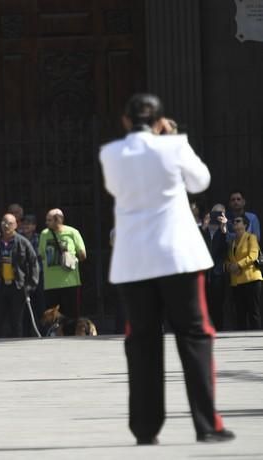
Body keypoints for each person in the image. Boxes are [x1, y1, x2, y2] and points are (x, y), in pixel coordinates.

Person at [100, 93, 234, 444]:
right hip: (178, 257)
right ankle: (207, 425)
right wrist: (171, 140)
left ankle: (145, 429)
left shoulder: (111, 153)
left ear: (126, 121)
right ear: (161, 121)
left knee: (142, 341)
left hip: (134, 262)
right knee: (195, 337)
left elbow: (116, 187)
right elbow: (200, 182)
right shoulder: (173, 146)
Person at [0, 213, 39, 338]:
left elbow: (33, 263)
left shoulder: (23, 242)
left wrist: (31, 284)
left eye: (10, 223)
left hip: (17, 286)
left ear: (16, 225)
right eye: (4, 222)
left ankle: (17, 344)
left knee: (17, 320)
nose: (6, 226)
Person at [38, 208, 86, 318]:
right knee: (52, 317)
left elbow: (83, 254)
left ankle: (71, 335)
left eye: (49, 220)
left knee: (71, 315)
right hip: (51, 284)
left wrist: (69, 257)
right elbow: (41, 254)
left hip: (70, 282)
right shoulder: (44, 234)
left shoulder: (72, 232)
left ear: (58, 220)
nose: (46, 223)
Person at [226, 214, 262, 330]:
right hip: (236, 281)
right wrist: (229, 266)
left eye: (238, 221)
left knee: (253, 312)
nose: (235, 223)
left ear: (245, 224)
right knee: (240, 313)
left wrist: (238, 265)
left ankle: (257, 339)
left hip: (251, 279)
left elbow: (253, 255)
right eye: (233, 221)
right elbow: (228, 259)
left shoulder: (251, 237)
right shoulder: (232, 242)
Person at [200, 204, 229, 330]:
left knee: (218, 303)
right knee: (204, 304)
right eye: (214, 213)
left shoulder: (225, 229)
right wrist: (204, 227)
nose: (216, 216)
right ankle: (206, 329)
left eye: (220, 213)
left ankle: (219, 329)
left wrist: (224, 228)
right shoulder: (203, 230)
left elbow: (228, 248)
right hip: (204, 272)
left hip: (218, 273)